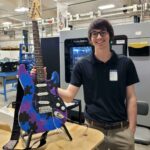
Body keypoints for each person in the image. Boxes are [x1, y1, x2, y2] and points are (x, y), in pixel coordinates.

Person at [32, 18, 139, 150]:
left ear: (110, 35)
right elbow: (69, 96)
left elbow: (131, 97)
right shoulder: (82, 65)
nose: (99, 37)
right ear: (90, 38)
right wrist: (46, 83)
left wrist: (132, 129)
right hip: (93, 128)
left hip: (121, 131)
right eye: (94, 33)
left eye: (103, 32)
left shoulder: (125, 63)